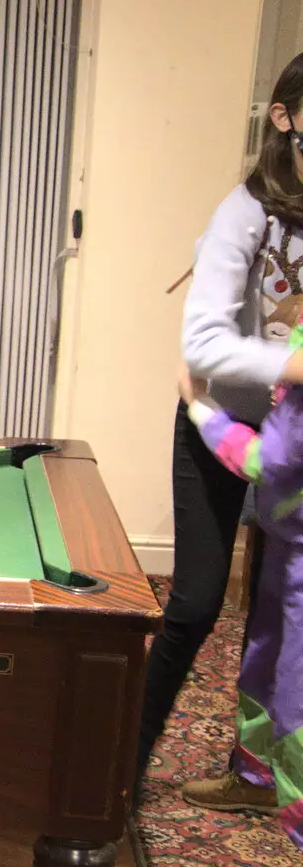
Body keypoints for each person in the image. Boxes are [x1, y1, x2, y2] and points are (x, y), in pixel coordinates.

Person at [142, 52, 303, 781]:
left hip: (292, 444)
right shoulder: (245, 211)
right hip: (215, 422)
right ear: (284, 117)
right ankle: (121, 767)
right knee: (196, 606)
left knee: (274, 621)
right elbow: (203, 343)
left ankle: (252, 773)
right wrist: (290, 367)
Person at [181, 327, 303, 867]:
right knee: (262, 666)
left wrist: (201, 408)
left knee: (299, 698)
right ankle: (255, 779)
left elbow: (268, 461)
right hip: (288, 542)